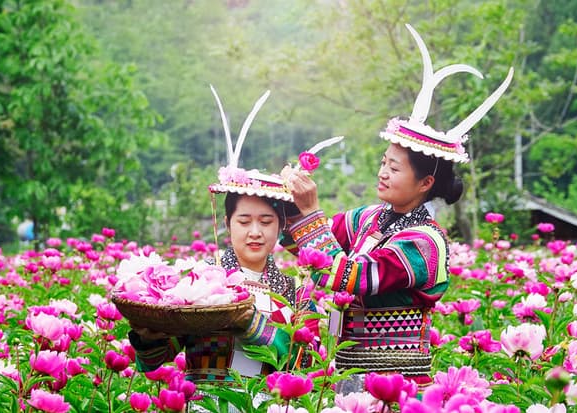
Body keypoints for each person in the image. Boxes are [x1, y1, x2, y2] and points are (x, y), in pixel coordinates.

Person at [282, 23, 513, 393]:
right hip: (348, 376)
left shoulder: (424, 242)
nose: (383, 173)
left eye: (394, 167)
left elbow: (350, 278)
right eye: (383, 163)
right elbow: (304, 249)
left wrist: (310, 214)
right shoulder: (366, 218)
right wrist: (286, 205)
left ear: (425, 184)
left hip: (399, 384)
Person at [128, 87, 314, 412]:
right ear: (228, 224)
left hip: (267, 405)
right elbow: (154, 360)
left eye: (266, 221)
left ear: (281, 227)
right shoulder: (199, 286)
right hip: (205, 404)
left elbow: (304, 360)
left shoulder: (295, 292)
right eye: (244, 221)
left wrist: (250, 323)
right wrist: (147, 334)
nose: (255, 232)